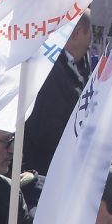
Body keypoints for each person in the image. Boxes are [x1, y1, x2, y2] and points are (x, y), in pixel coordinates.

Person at [20, 15, 94, 177]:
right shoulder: (50, 69)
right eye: (91, 34)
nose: (91, 43)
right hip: (47, 172)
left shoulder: (77, 66)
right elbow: (45, 130)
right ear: (78, 32)